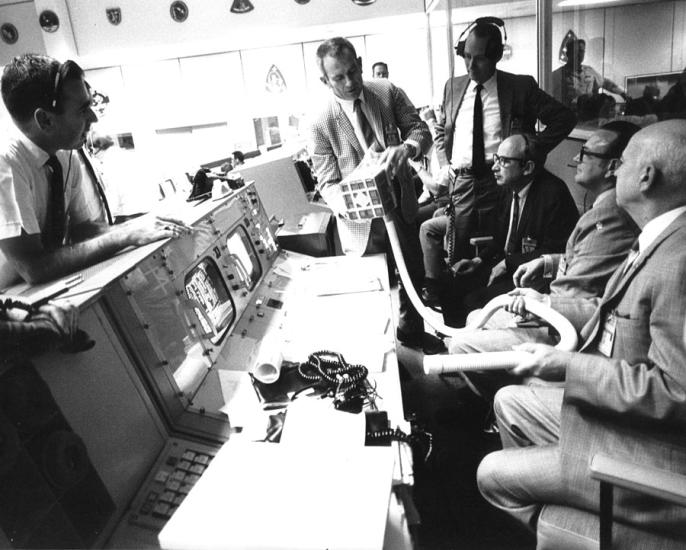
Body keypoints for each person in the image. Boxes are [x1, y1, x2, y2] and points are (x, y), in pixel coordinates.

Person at [477, 119, 686, 546]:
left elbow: (674, 391)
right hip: (627, 421)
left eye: (622, 162)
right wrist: (543, 306)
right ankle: (564, 505)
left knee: (492, 474)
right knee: (511, 401)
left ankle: (572, 529)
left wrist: (570, 365)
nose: (615, 170)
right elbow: (610, 314)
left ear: (646, 177)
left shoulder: (679, 260)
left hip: (649, 454)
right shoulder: (660, 236)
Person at [449, 121, 641, 398]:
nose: (576, 158)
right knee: (473, 315)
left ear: (612, 167)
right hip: (548, 302)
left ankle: (501, 403)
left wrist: (536, 304)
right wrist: (549, 263)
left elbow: (577, 293)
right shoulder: (601, 210)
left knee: (461, 345)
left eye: (586, 154)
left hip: (557, 326)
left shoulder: (607, 216)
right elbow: (584, 259)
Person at [0, 54, 191, 288]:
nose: (94, 117)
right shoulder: (6, 163)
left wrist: (139, 225)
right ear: (45, 120)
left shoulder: (64, 154)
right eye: (83, 110)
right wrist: (124, 235)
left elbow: (83, 231)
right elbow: (33, 268)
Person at [425, 17, 575, 307]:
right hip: (464, 182)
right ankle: (459, 316)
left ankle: (491, 309)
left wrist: (530, 150)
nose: (470, 67)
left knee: (507, 241)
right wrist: (447, 165)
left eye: (479, 59)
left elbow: (564, 118)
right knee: (461, 256)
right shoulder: (453, 87)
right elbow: (447, 132)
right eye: (466, 57)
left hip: (504, 180)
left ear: (495, 56)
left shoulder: (519, 87)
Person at [309, 37, 444, 355]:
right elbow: (328, 185)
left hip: (401, 205)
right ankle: (383, 358)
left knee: (412, 273)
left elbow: (419, 130)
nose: (350, 82)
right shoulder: (319, 123)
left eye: (353, 71)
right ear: (324, 80)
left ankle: (411, 334)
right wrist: (357, 198)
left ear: (359, 61)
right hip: (362, 222)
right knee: (372, 291)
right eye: (339, 77)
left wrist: (407, 149)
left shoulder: (386, 91)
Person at [442, 134, 578, 324]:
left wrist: (507, 263)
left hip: (529, 278)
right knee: (448, 283)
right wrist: (478, 259)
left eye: (504, 161)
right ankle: (454, 342)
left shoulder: (554, 194)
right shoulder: (508, 188)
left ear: (528, 167)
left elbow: (554, 252)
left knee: (473, 300)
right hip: (503, 265)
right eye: (496, 159)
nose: (494, 167)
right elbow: (500, 239)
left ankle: (467, 344)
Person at [552, 37, 628, 109]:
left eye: (581, 51)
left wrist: (623, 94)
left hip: (589, 114)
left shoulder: (589, 71)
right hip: (570, 115)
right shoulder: (557, 75)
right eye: (576, 51)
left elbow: (606, 83)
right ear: (568, 53)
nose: (579, 54)